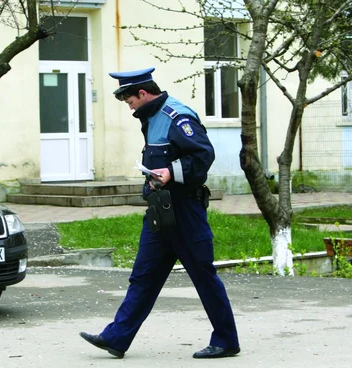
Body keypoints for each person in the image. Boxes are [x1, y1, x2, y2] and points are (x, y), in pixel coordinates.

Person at [79, 67, 240, 359]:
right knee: (143, 276)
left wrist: (171, 172)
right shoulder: (152, 116)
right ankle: (117, 338)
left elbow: (203, 156)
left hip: (185, 212)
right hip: (161, 211)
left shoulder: (176, 116)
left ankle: (227, 340)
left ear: (143, 93)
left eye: (129, 100)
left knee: (203, 276)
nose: (129, 106)